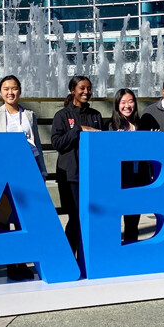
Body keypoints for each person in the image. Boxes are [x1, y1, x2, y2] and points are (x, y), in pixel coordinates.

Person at [0, 75, 46, 281]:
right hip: (3, 174)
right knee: (4, 220)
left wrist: (42, 171)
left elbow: (37, 144)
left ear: (20, 90)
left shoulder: (29, 115)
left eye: (14, 88)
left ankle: (23, 262)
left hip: (27, 173)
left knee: (23, 220)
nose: (10, 92)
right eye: (6, 88)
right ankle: (10, 263)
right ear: (0, 92)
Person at [51, 75, 103, 261]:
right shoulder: (62, 116)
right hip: (71, 176)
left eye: (89, 88)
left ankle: (86, 259)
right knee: (75, 219)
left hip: (91, 175)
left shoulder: (96, 115)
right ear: (73, 90)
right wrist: (79, 129)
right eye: (82, 88)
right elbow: (57, 143)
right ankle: (66, 259)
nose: (86, 92)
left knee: (90, 219)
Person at [107, 88, 151, 243]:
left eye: (131, 101)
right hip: (119, 180)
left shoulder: (142, 124)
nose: (127, 106)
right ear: (117, 105)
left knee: (133, 219)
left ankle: (131, 249)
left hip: (138, 178)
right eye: (123, 102)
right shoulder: (111, 126)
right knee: (114, 217)